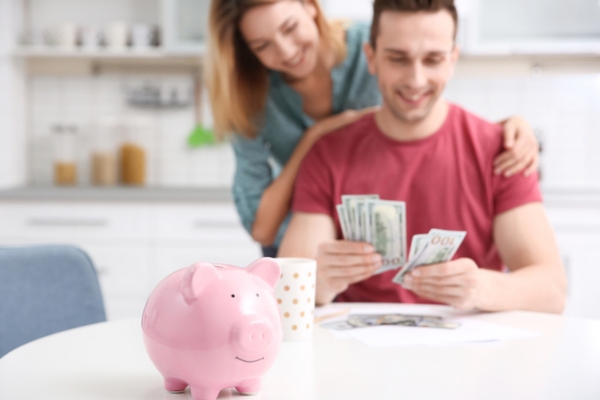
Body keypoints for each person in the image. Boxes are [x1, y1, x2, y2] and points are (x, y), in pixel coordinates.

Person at [278, 0, 566, 313]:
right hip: (355, 354)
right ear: (371, 58)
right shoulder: (328, 154)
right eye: (398, 58)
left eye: (433, 59)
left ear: (452, 60)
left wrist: (482, 287)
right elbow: (286, 289)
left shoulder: (503, 151)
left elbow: (552, 291)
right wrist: (320, 282)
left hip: (468, 355)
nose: (415, 80)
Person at [205, 0, 541, 257]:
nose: (286, 51)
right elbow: (263, 228)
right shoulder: (247, 97)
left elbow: (425, 107)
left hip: (374, 248)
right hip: (305, 246)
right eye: (262, 45)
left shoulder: (377, 45)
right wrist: (315, 137)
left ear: (310, 6)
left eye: (290, 28)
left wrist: (507, 129)